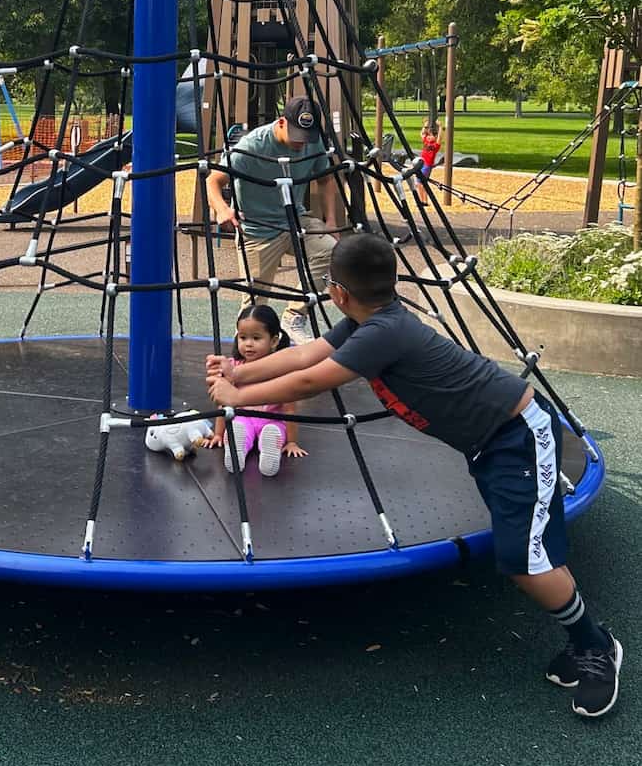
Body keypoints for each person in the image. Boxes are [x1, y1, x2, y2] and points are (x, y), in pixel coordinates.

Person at [206, 232, 622, 719]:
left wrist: (239, 398)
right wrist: (240, 374)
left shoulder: (383, 333)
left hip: (519, 437)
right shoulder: (370, 321)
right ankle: (585, 638)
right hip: (493, 441)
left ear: (336, 290)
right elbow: (302, 355)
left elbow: (309, 380)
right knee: (530, 552)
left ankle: (596, 647)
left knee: (523, 561)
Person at [205, 96, 339, 341]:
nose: (301, 143)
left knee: (332, 251)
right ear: (281, 122)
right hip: (258, 227)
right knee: (254, 302)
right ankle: (246, 350)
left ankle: (294, 316)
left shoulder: (313, 141)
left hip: (295, 219)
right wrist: (222, 208)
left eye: (306, 136)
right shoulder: (252, 146)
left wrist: (330, 220)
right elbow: (213, 180)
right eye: (296, 134)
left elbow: (327, 179)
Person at [201, 304, 307, 476]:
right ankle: (237, 449)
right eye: (243, 338)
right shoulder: (232, 366)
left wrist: (292, 442)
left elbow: (290, 408)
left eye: (256, 338)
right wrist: (218, 434)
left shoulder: (281, 369)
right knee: (237, 427)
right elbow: (223, 404)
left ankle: (269, 449)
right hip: (243, 419)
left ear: (274, 341)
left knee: (273, 431)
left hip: (272, 420)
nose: (248, 344)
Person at [418, 119, 442, 204]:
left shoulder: (435, 146)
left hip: (427, 165)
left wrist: (440, 127)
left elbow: (439, 137)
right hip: (422, 164)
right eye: (428, 136)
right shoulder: (425, 141)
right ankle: (422, 200)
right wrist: (425, 125)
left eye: (431, 136)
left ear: (434, 138)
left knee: (421, 183)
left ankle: (424, 201)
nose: (428, 137)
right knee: (420, 183)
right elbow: (422, 133)